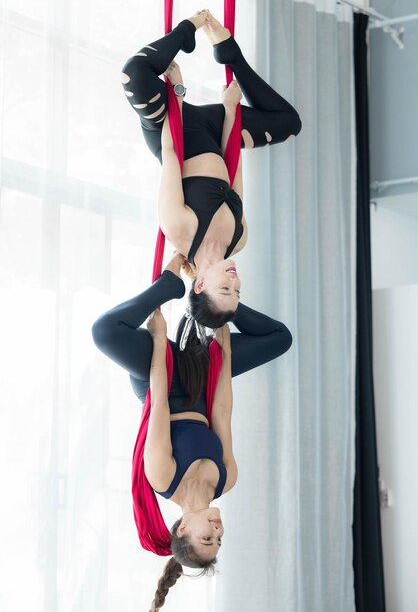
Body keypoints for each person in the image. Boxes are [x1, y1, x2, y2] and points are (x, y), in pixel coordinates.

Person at [91, 252, 293, 609]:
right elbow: (222, 412)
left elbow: (159, 406)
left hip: (162, 384)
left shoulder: (163, 478)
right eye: (219, 539)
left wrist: (159, 339)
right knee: (280, 338)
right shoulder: (226, 479)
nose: (217, 531)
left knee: (104, 333)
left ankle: (168, 286)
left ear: (182, 530)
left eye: (206, 537)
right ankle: (214, 298)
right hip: (203, 384)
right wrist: (223, 348)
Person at [121, 10, 301, 330]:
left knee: (133, 74)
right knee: (288, 124)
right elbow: (234, 172)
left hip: (170, 127)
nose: (235, 281)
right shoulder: (239, 239)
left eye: (225, 289)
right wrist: (231, 111)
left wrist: (177, 93)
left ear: (200, 284)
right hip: (215, 134)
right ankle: (229, 52)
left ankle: (185, 31)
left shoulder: (180, 230)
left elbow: (172, 153)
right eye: (237, 291)